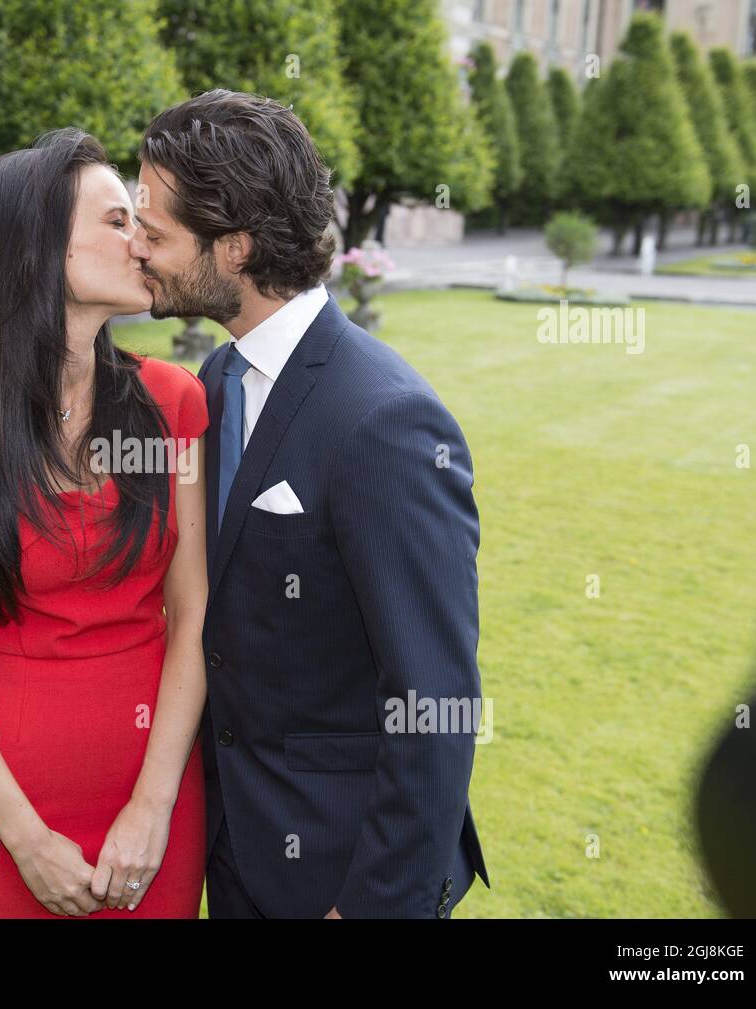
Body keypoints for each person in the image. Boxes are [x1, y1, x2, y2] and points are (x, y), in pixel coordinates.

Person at [131, 89, 491, 918]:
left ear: (235, 248)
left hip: (342, 871)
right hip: (238, 849)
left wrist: (366, 907)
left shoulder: (387, 421)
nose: (140, 251)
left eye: (156, 234)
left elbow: (434, 697)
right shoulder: (216, 382)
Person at [0, 128, 209, 917]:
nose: (143, 240)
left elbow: (196, 613)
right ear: (37, 249)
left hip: (153, 812)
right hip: (1, 822)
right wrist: (25, 839)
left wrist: (153, 806)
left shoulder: (173, 405)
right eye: (117, 220)